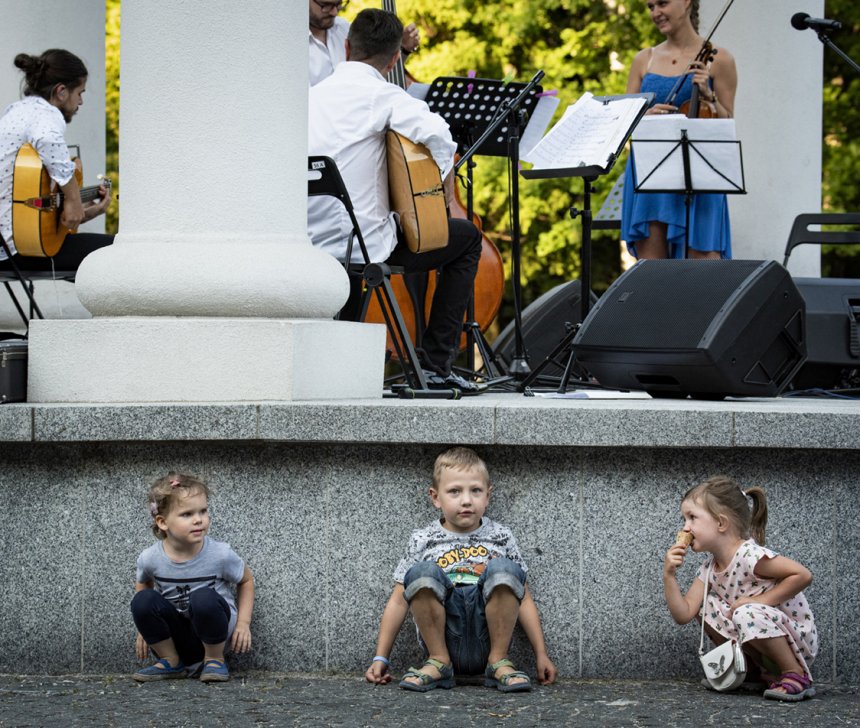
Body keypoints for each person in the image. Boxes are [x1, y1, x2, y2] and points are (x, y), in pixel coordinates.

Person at [308, 9, 485, 394]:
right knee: (468, 238)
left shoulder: (309, 97)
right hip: (363, 247)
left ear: (347, 48)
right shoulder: (384, 95)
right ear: (393, 61)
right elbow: (440, 136)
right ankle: (436, 366)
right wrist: (440, 188)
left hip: (309, 245)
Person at [364, 447, 557, 692]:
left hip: (488, 635)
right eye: (455, 491)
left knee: (504, 569)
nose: (466, 500)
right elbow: (398, 601)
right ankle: (438, 662)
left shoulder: (501, 536)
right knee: (422, 573)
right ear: (435, 497)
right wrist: (380, 657)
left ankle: (499, 661)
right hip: (444, 637)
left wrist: (541, 654)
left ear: (488, 496)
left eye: (475, 490)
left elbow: (524, 598)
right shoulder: (423, 539)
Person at [663, 475, 818, 702]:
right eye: (684, 519)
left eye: (692, 517)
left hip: (794, 640)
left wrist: (759, 601)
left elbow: (802, 575)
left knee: (745, 612)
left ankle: (795, 673)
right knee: (705, 605)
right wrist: (669, 575)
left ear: (721, 523)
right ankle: (749, 669)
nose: (685, 527)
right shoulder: (709, 568)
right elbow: (684, 613)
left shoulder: (750, 555)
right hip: (757, 636)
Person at [621, 0, 737, 259]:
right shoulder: (643, 59)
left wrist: (709, 95)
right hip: (651, 171)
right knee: (652, 273)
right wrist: (644, 117)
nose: (656, 13)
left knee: (703, 270)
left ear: (686, 2)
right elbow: (625, 122)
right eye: (651, 6)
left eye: (662, 3)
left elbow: (727, 121)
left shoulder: (721, 59)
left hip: (698, 172)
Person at [131, 473, 255, 683]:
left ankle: (214, 660)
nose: (199, 519)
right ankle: (171, 661)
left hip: (213, 636)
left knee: (203, 598)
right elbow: (143, 583)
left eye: (203, 511)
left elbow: (246, 580)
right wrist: (144, 630)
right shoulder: (150, 558)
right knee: (142, 600)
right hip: (176, 639)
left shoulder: (220, 554)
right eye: (187, 514)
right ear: (162, 522)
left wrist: (243, 623)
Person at [0, 49, 112, 273]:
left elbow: (31, 207)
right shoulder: (46, 114)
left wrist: (83, 210)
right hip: (19, 249)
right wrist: (73, 198)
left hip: (12, 244)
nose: (81, 101)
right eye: (79, 93)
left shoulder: (17, 110)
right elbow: (47, 139)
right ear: (61, 91)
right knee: (122, 249)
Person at [309, 0, 420, 86]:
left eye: (339, 4)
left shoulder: (344, 28)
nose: (334, 12)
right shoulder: (297, 45)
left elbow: (376, 70)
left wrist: (402, 49)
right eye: (326, 5)